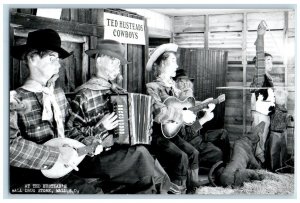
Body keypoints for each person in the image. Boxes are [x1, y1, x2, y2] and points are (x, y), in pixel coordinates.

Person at [67, 39, 171, 194]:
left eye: (119, 62)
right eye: (113, 60)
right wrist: (100, 127)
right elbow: (70, 135)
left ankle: (154, 191)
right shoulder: (83, 94)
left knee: (144, 159)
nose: (118, 65)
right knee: (141, 156)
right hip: (92, 157)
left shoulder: (119, 91)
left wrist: (145, 122)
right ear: (100, 59)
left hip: (118, 151)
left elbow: (133, 122)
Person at [9, 29, 100, 194]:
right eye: (52, 59)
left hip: (63, 171)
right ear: (32, 58)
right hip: (30, 180)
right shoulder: (14, 100)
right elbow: (9, 147)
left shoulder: (57, 94)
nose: (58, 65)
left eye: (58, 60)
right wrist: (55, 155)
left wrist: (87, 143)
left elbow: (68, 130)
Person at [145, 43, 214, 193]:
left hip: (172, 133)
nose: (176, 65)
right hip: (157, 135)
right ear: (163, 64)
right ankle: (179, 192)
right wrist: (182, 115)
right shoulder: (152, 87)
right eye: (173, 61)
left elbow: (183, 104)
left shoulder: (173, 87)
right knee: (181, 157)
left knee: (194, 153)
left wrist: (204, 104)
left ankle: (193, 188)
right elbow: (159, 112)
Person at [173, 69, 231, 173]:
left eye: (187, 81)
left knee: (223, 133)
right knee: (217, 153)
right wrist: (204, 119)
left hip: (199, 136)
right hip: (190, 142)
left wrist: (206, 104)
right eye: (181, 81)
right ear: (174, 83)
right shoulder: (176, 103)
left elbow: (196, 106)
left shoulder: (188, 99)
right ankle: (202, 167)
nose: (185, 84)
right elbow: (186, 133)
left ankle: (227, 166)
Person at [250, 52, 275, 166]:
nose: (271, 63)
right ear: (261, 63)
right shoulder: (260, 76)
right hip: (260, 113)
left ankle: (258, 165)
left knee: (262, 138)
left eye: (271, 60)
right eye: (268, 60)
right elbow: (253, 93)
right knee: (260, 138)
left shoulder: (266, 76)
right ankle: (257, 166)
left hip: (264, 112)